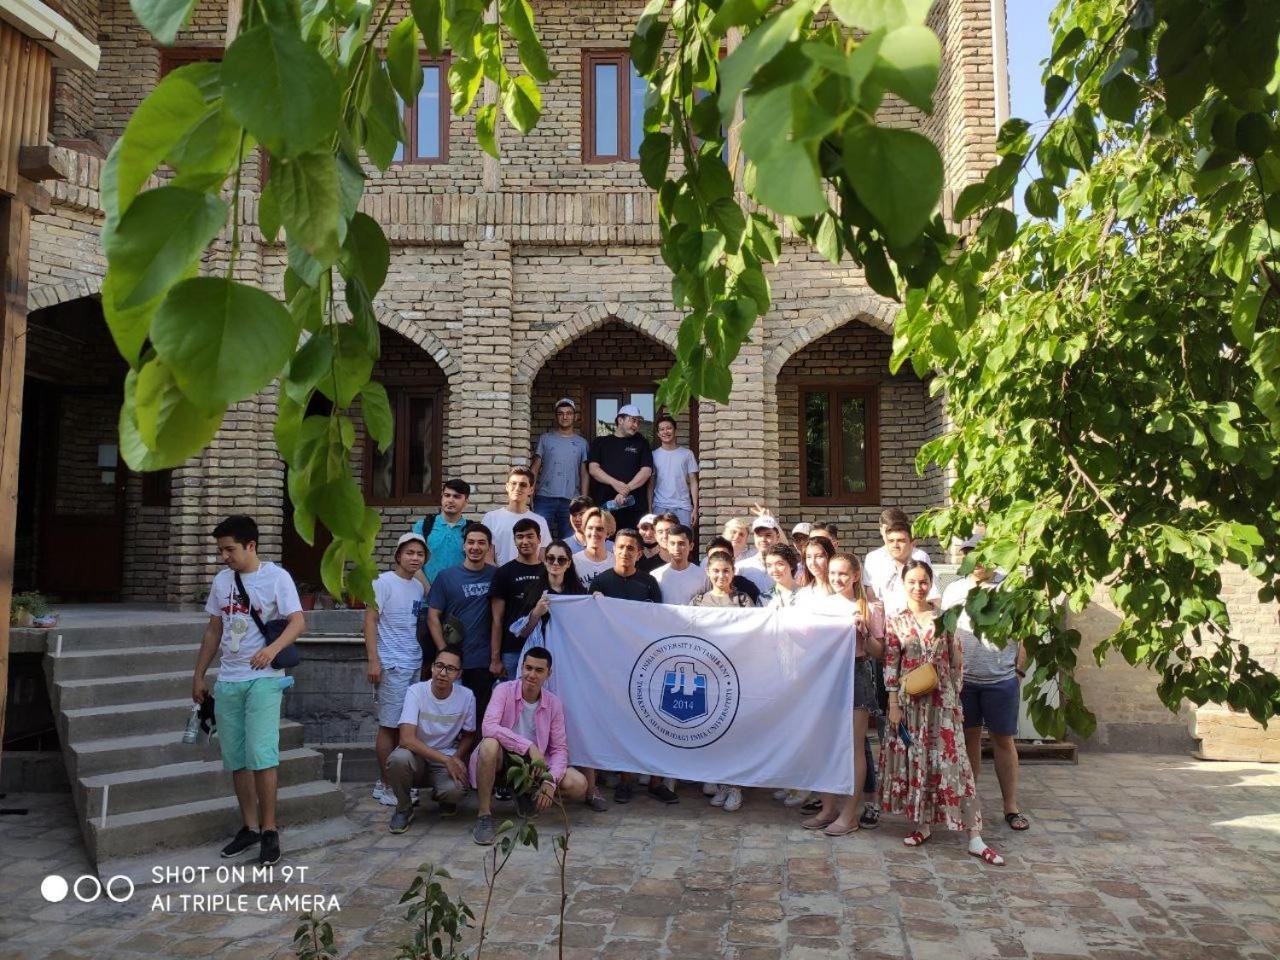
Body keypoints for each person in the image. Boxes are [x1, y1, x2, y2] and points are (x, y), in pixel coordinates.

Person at [193, 515, 304, 866]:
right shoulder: (222, 580)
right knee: (237, 758)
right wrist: (199, 675)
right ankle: (249, 827)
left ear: (251, 545)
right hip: (228, 680)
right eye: (221, 550)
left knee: (262, 755)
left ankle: (270, 831)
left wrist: (271, 651)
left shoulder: (276, 577)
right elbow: (214, 630)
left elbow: (298, 621)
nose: (225, 556)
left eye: (230, 549)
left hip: (265, 679)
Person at [880, 561, 1004, 866]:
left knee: (957, 766)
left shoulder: (944, 618)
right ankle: (922, 824)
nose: (918, 587)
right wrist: (894, 705)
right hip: (910, 705)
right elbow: (891, 664)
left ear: (930, 583)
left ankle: (975, 836)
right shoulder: (896, 621)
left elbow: (956, 660)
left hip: (941, 704)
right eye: (912, 582)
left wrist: (954, 698)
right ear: (903, 583)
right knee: (918, 762)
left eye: (923, 582)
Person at [511, 542, 607, 812]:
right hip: (538, 665)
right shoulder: (533, 591)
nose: (555, 563)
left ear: (568, 563)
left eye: (561, 559)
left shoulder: (578, 593)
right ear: (544, 561)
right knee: (534, 720)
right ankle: (531, 784)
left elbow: (591, 629)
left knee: (579, 719)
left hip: (571, 666)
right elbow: (520, 631)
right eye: (551, 558)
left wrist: (596, 603)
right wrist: (535, 613)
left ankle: (591, 785)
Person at [943, 535, 1030, 832]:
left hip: (1000, 678)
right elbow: (947, 631)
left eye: (980, 555)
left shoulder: (1009, 588)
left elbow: (1024, 634)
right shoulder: (954, 589)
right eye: (969, 554)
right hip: (965, 680)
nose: (975, 562)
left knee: (1003, 741)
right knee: (969, 739)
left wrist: (1018, 672)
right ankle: (971, 801)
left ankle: (1011, 806)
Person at [470, 646, 589, 844]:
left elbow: (559, 749)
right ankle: (484, 816)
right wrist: (528, 747)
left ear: (548, 674)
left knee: (579, 784)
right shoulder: (503, 690)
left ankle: (526, 795)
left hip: (534, 766)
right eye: (528, 668)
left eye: (539, 670)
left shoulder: (554, 704)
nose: (531, 674)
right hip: (502, 759)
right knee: (489, 745)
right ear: (521, 667)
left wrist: (550, 781)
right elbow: (488, 727)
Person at [804, 553, 885, 835]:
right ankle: (828, 808)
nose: (838, 579)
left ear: (855, 575)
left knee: (854, 746)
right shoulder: (821, 606)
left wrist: (865, 634)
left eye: (843, 574)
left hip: (856, 674)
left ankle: (850, 813)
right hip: (826, 676)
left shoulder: (869, 608)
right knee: (825, 743)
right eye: (833, 573)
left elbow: (880, 653)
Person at [592, 529, 674, 804]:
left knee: (654, 720)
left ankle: (655, 781)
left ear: (639, 553)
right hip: (613, 664)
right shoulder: (600, 582)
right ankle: (625, 781)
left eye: (631, 548)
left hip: (645, 662)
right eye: (622, 547)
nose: (626, 552)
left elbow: (658, 621)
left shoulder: (649, 582)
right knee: (624, 721)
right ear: (614, 549)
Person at [689, 550, 757, 813]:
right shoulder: (697, 602)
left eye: (726, 571)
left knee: (735, 731)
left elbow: (754, 633)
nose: (720, 575)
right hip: (708, 675)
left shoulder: (742, 600)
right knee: (713, 728)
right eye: (716, 571)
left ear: (733, 572)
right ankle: (719, 782)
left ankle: (735, 786)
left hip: (737, 674)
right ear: (708, 571)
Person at [365, 532, 429, 808]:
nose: (414, 558)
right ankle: (387, 784)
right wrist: (373, 660)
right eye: (410, 553)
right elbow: (370, 620)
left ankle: (399, 782)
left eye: (420, 554)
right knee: (389, 726)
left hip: (414, 661)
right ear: (398, 555)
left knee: (407, 726)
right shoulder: (382, 582)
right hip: (391, 663)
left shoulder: (417, 585)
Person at [384, 645, 476, 833]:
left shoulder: (466, 696)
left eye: (450, 669)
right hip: (416, 756)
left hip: (446, 757)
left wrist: (457, 757)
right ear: (432, 667)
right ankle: (403, 808)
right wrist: (447, 760)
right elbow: (406, 739)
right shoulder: (416, 691)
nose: (443, 673)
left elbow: (469, 735)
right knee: (398, 759)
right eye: (439, 666)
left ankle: (443, 797)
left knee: (457, 789)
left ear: (459, 674)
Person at [426, 523, 499, 722]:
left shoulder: (496, 576)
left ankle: (477, 754)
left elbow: (500, 618)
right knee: (450, 716)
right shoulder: (446, 577)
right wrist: (444, 652)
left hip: (483, 661)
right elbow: (433, 616)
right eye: (471, 542)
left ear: (489, 547)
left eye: (481, 543)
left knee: (480, 715)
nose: (475, 547)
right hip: (453, 662)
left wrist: (496, 657)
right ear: (463, 546)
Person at [489, 518, 549, 680]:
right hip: (512, 650)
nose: (525, 541)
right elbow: (497, 620)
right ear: (514, 540)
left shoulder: (550, 572)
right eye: (520, 536)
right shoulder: (503, 573)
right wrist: (495, 658)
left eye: (530, 536)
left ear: (539, 539)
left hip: (544, 650)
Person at [587, 404, 654, 531]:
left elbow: (646, 471)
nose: (636, 425)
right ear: (620, 420)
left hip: (634, 509)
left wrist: (626, 489)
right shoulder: (601, 442)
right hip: (605, 509)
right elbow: (593, 469)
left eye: (638, 422)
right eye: (633, 420)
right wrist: (614, 483)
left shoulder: (642, 443)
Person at [531, 398, 590, 540]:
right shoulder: (545, 438)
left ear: (575, 416)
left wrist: (584, 500)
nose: (565, 416)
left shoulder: (582, 443)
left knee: (570, 540)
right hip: (544, 498)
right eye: (561, 413)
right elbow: (534, 468)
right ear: (556, 416)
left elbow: (584, 473)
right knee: (538, 537)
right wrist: (530, 494)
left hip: (572, 500)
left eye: (569, 413)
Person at [867, 520, 939, 616]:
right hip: (884, 627)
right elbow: (872, 600)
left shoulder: (920, 570)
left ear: (912, 543)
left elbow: (936, 599)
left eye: (901, 541)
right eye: (891, 541)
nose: (895, 545)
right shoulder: (878, 568)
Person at [483, 467, 552, 566]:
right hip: (501, 578)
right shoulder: (491, 518)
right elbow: (487, 557)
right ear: (507, 486)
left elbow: (543, 557)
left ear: (531, 490)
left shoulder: (540, 521)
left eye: (523, 485)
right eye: (513, 483)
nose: (517, 488)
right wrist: (500, 577)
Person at [864, 508, 930, 608]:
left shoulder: (919, 556)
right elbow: (869, 589)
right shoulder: (872, 558)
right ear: (881, 529)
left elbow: (929, 590)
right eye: (887, 529)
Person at [412, 478, 473, 585]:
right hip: (427, 597)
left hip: (460, 597)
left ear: (466, 501)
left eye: (457, 496)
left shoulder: (472, 529)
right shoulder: (423, 526)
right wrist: (430, 593)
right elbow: (414, 564)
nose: (450, 500)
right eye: (447, 495)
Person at [648, 413, 699, 528]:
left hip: (683, 507)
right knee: (661, 543)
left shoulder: (687, 454)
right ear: (658, 434)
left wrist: (695, 507)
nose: (665, 432)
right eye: (662, 429)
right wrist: (650, 508)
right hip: (660, 506)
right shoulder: (653, 455)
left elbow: (693, 481)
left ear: (675, 431)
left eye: (669, 428)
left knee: (683, 542)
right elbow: (651, 484)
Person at [652, 524, 707, 605]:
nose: (676, 548)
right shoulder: (656, 576)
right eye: (672, 543)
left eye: (681, 544)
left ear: (691, 546)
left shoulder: (703, 576)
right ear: (667, 546)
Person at [704, 535, 762, 604]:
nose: (719, 560)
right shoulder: (700, 586)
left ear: (733, 560)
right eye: (714, 557)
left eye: (724, 556)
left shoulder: (747, 589)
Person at [736, 516, 781, 596]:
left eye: (768, 535)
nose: (763, 539)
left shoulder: (786, 568)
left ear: (777, 538)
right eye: (759, 535)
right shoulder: (741, 567)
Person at [572, 507, 615, 590]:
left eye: (600, 529)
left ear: (608, 533)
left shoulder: (616, 562)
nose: (594, 533)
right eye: (590, 528)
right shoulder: (573, 561)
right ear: (584, 530)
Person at [797, 535, 836, 603]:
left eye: (819, 556)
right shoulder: (802, 593)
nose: (813, 563)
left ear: (830, 557)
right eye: (808, 557)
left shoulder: (844, 589)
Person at [763, 543, 803, 608]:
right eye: (769, 565)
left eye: (779, 564)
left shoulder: (807, 594)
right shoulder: (764, 598)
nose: (774, 570)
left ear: (791, 565)